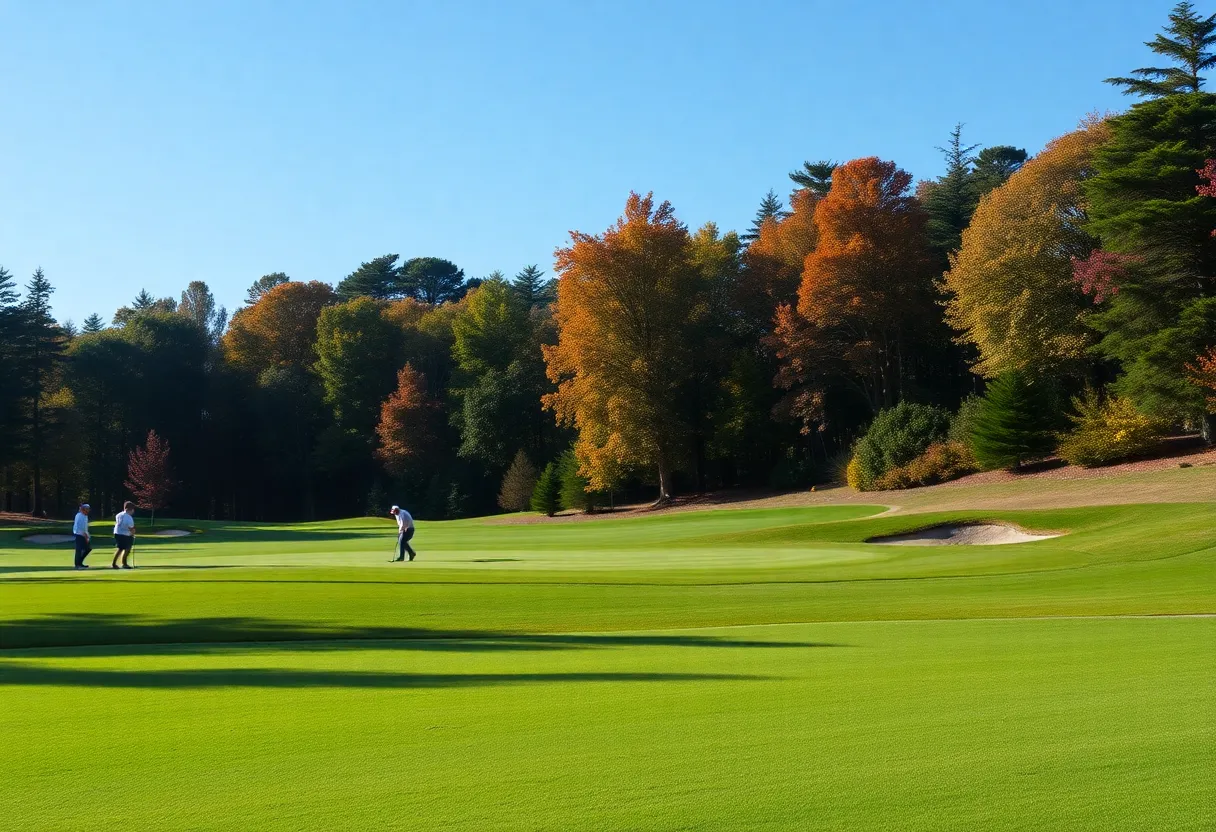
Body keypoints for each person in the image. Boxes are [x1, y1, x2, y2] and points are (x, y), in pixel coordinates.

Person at [112, 501, 136, 570]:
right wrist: (133, 533)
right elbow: (131, 528)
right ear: (130, 509)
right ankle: (121, 563)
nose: (133, 511)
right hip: (125, 534)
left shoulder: (119, 515)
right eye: (132, 509)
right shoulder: (129, 518)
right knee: (125, 549)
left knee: (121, 548)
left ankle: (121, 563)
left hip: (117, 533)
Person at [72, 503, 92, 569]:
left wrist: (87, 535)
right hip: (79, 534)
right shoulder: (80, 516)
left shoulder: (85, 516)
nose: (88, 510)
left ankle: (80, 563)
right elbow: (79, 527)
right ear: (83, 509)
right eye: (87, 509)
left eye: (88, 509)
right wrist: (85, 536)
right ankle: (77, 565)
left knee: (87, 549)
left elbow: (85, 527)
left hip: (83, 534)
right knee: (79, 550)